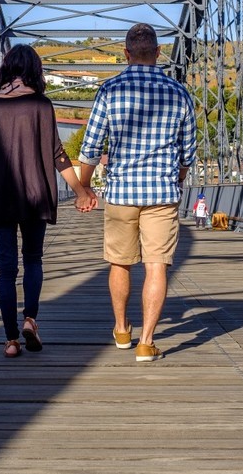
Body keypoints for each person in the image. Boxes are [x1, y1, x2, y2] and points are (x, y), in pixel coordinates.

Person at [78, 24, 197, 363]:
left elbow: (90, 148)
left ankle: (121, 329)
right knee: (157, 265)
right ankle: (146, 342)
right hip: (161, 192)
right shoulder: (179, 93)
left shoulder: (110, 90)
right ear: (159, 54)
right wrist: (177, 179)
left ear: (126, 54)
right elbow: (188, 153)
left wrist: (85, 185)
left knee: (120, 263)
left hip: (120, 194)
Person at [0, 44, 97, 359]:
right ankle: (30, 318)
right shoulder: (42, 105)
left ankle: (11, 340)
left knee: (6, 268)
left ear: (5, 68)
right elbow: (58, 153)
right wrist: (81, 190)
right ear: (35, 70)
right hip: (34, 193)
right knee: (33, 260)